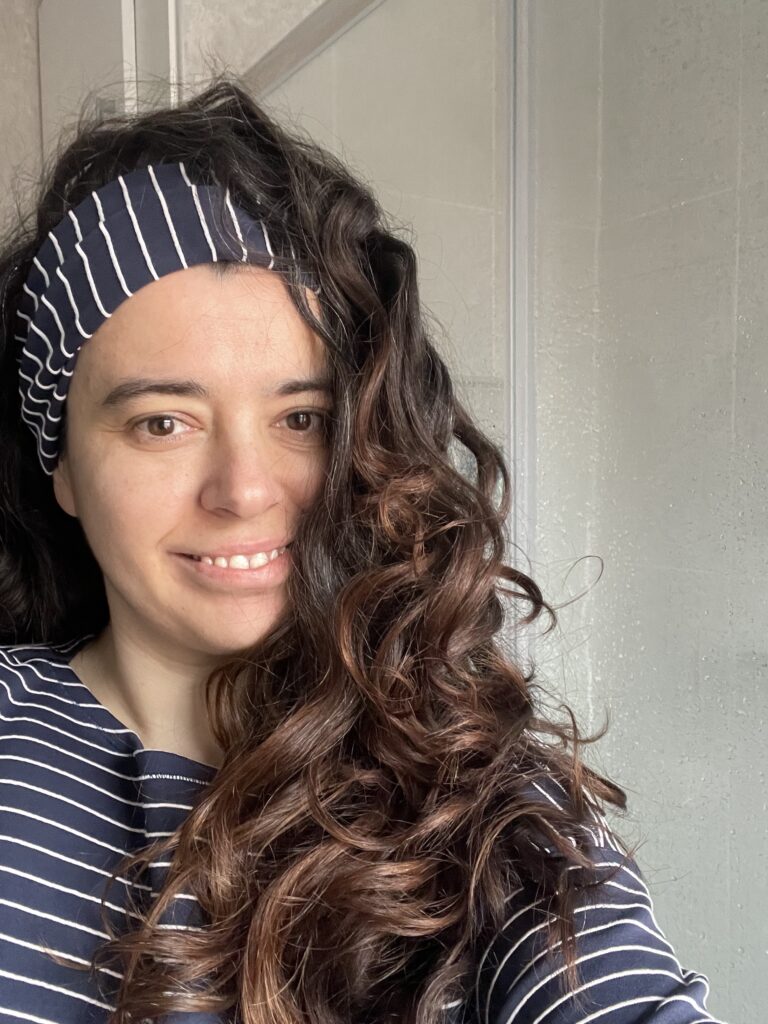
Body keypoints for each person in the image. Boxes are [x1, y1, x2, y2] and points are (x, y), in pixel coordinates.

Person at [0, 76, 725, 1024]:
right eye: (163, 423)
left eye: (300, 417)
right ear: (61, 464)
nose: (246, 491)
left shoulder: (472, 782)